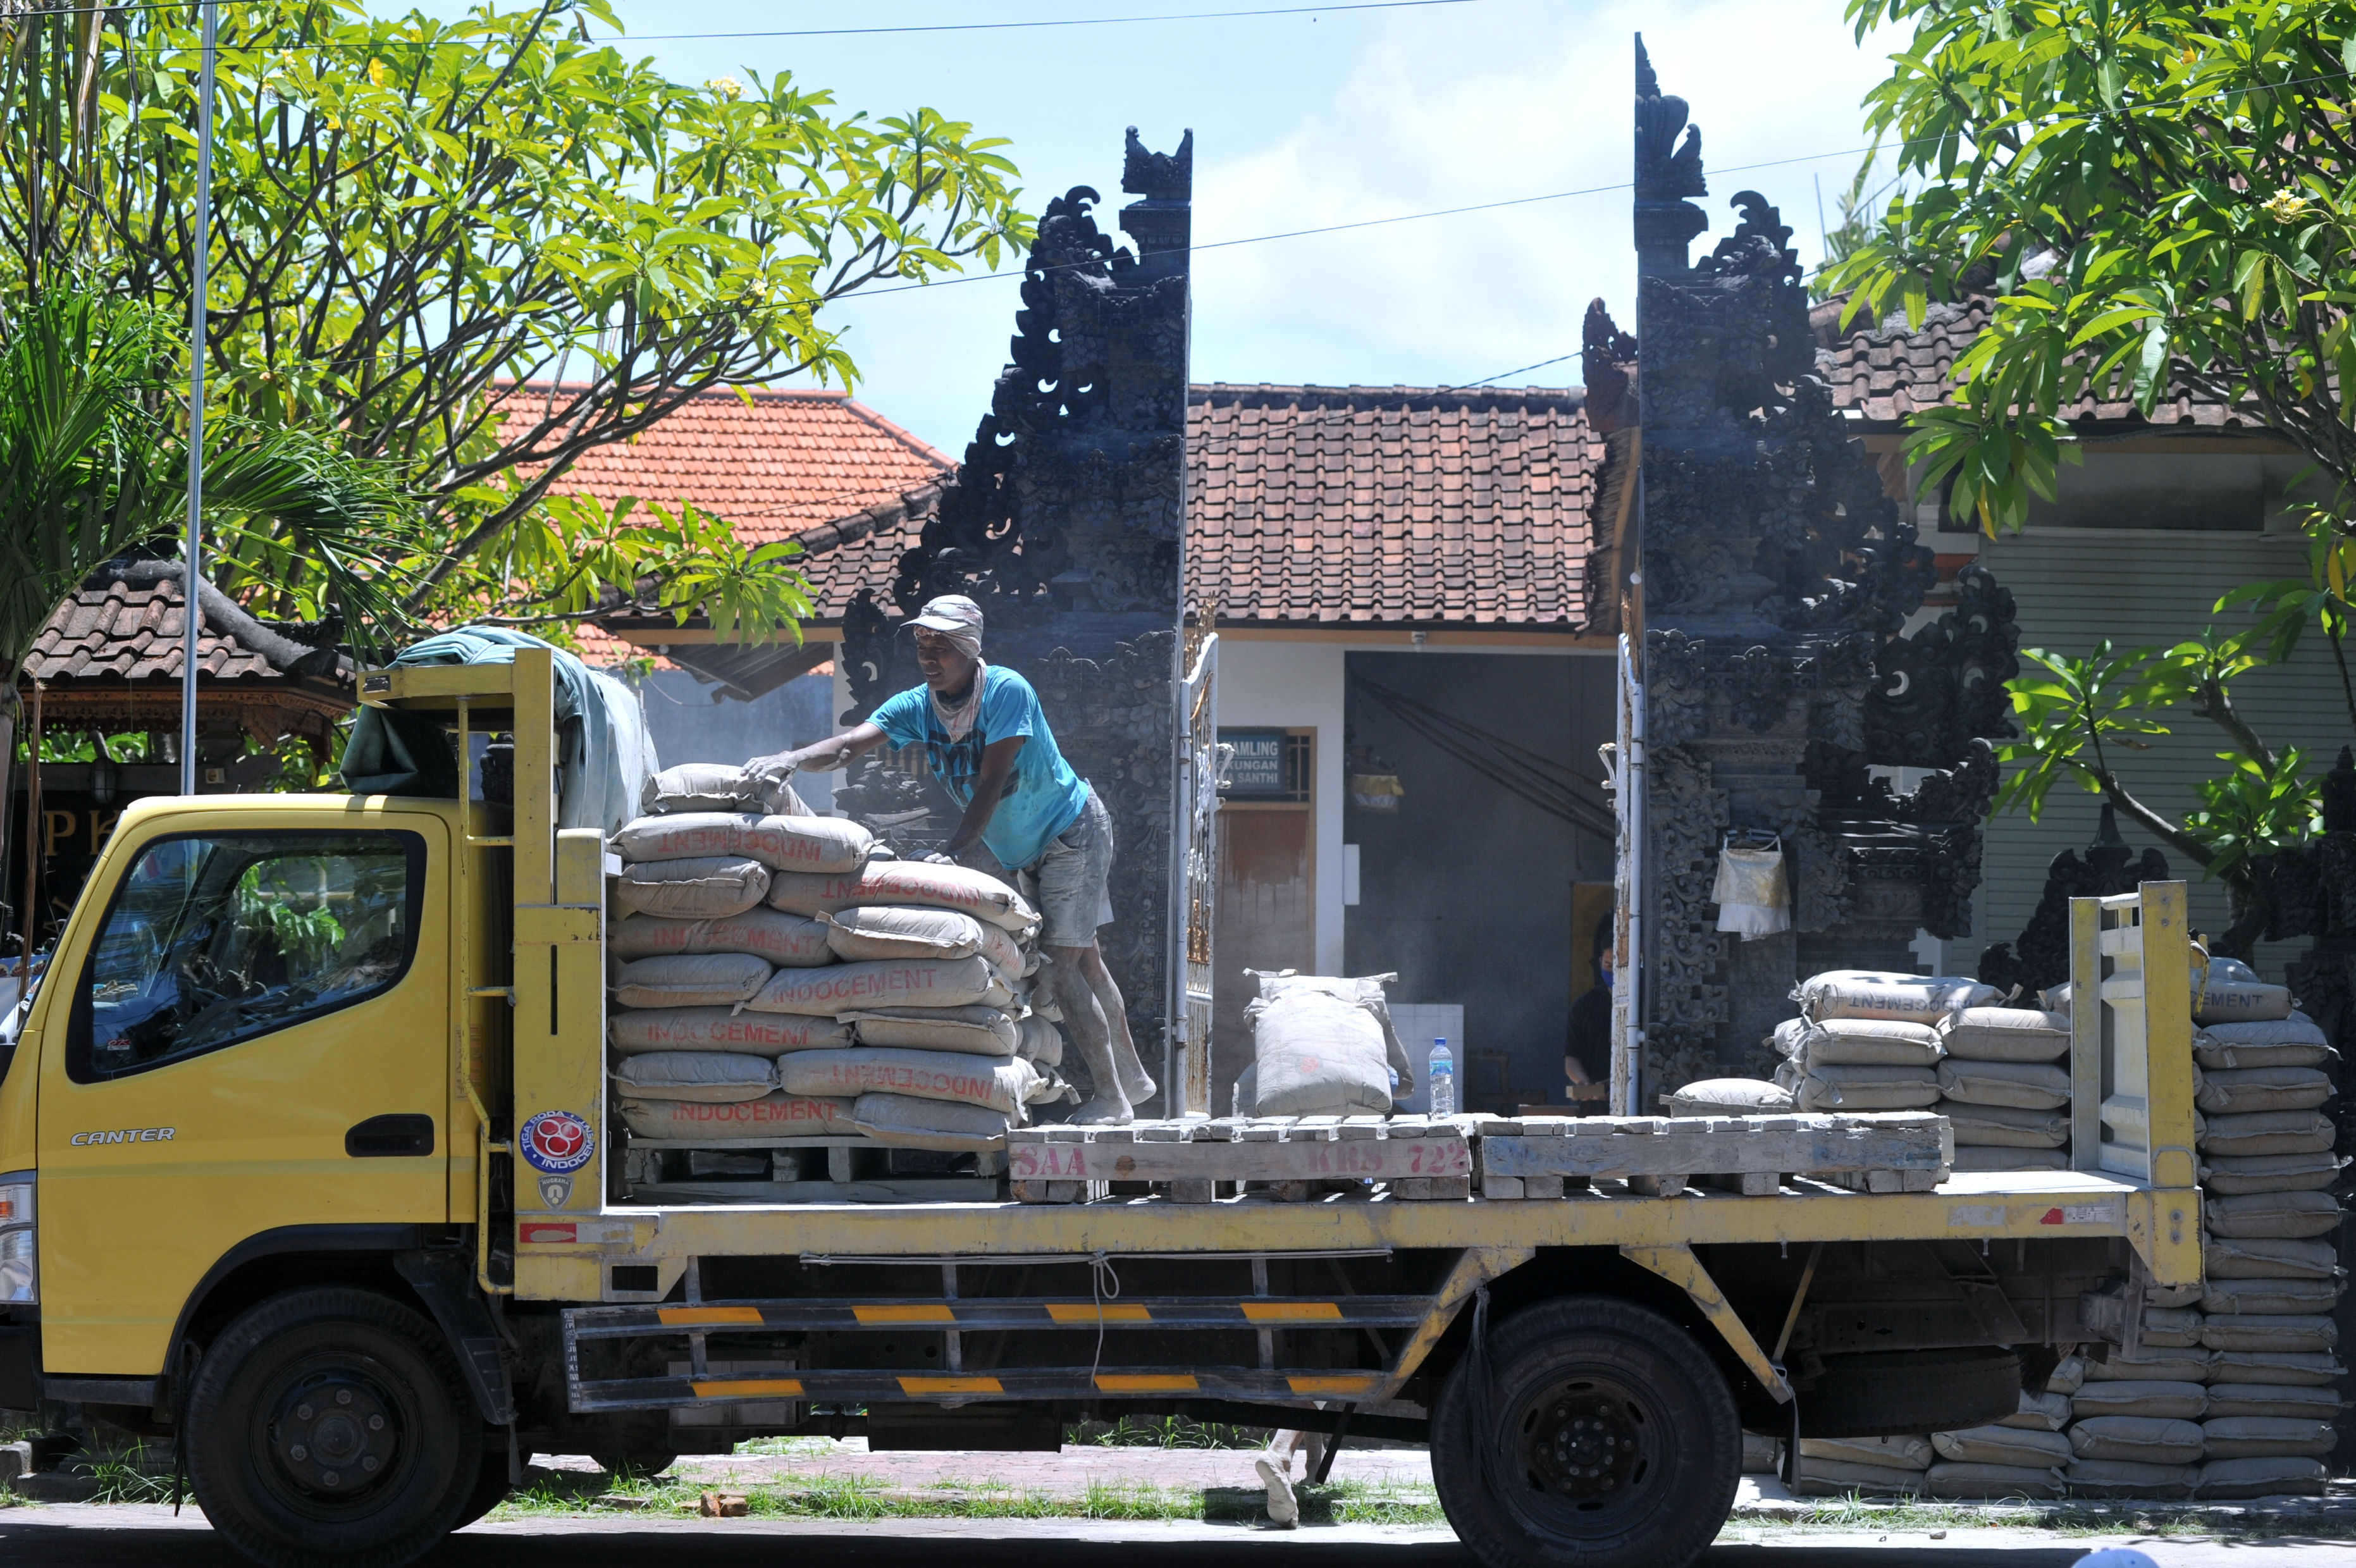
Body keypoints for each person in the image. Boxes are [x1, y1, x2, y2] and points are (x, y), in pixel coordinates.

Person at [742, 595, 1156, 1123]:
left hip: (1070, 832)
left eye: (941, 645)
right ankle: (1133, 1079)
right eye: (922, 644)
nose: (928, 656)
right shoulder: (917, 705)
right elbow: (848, 746)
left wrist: (953, 852)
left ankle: (1112, 1098)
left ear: (970, 648)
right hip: (1032, 850)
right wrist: (791, 759)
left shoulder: (1006, 691)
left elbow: (992, 781)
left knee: (1061, 966)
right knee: (1085, 958)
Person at [1564, 919, 1614, 1100]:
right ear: (1600, 962)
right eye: (1608, 965)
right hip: (1593, 1105)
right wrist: (1584, 1082)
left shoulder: (1646, 1007)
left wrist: (1615, 1083)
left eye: (1621, 966)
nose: (1614, 972)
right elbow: (1572, 1058)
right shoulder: (1584, 1006)